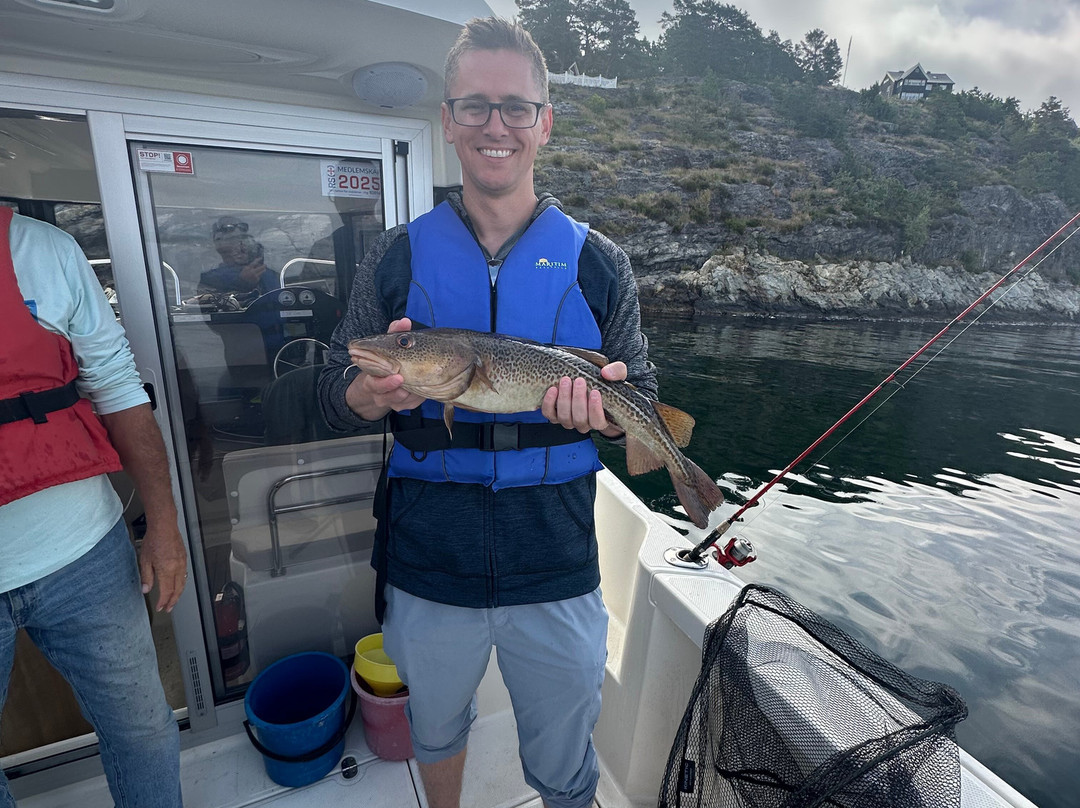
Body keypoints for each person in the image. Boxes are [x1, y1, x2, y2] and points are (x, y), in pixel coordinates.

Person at [318, 17, 654, 808]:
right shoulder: (395, 255)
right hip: (428, 557)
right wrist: (361, 393)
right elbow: (336, 378)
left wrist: (603, 418)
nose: (494, 125)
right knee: (434, 728)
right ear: (447, 120)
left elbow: (633, 387)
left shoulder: (603, 262)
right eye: (474, 106)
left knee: (567, 751)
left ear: (544, 122)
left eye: (515, 107)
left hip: (558, 558)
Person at [0, 209, 187, 807]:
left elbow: (116, 385)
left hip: (86, 553)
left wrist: (163, 524)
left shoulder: (42, 248)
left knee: (144, 728)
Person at [199, 215, 278, 297]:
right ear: (218, 246)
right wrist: (242, 283)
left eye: (244, 240)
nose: (241, 247)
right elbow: (207, 302)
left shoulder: (272, 275)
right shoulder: (210, 279)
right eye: (232, 240)